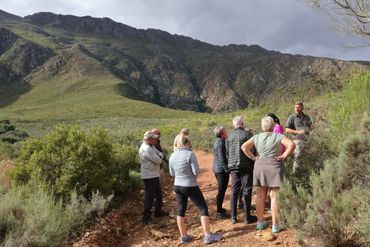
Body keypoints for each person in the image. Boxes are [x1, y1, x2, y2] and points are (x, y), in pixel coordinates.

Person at [241, 116, 295, 233]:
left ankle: (260, 222)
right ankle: (275, 225)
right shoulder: (278, 136)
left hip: (260, 166)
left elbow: (244, 147)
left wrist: (254, 157)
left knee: (260, 196)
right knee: (274, 196)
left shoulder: (256, 137)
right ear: (273, 126)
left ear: (262, 126)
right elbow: (292, 145)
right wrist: (284, 156)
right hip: (275, 165)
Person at [169, 135, 222, 245]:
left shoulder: (172, 155)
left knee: (181, 209)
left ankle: (184, 237)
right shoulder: (190, 154)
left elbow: (172, 173)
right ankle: (208, 236)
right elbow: (196, 171)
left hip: (177, 185)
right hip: (190, 185)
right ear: (187, 142)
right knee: (203, 208)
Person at [227, 116, 257, 224]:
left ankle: (233, 217)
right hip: (246, 166)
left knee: (234, 191)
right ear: (242, 123)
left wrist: (230, 164)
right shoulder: (248, 134)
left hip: (233, 167)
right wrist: (254, 159)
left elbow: (227, 152)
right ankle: (247, 217)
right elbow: (253, 149)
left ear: (234, 125)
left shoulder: (229, 137)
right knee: (247, 190)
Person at [139, 131, 167, 224]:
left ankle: (158, 211)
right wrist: (160, 156)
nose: (155, 140)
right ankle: (146, 218)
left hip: (153, 174)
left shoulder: (151, 146)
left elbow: (160, 154)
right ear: (149, 139)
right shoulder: (147, 148)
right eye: (153, 138)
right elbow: (159, 160)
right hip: (149, 176)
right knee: (150, 197)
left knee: (158, 194)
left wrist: (160, 156)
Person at [285, 102, 313, 173]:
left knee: (308, 157)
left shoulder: (307, 117)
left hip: (307, 140)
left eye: (298, 107)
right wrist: (298, 132)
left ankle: (307, 173)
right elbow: (287, 129)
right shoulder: (292, 117)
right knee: (298, 157)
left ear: (302, 108)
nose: (297, 109)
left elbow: (310, 126)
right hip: (297, 140)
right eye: (295, 107)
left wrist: (311, 127)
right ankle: (295, 174)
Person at [212, 126, 229, 219]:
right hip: (221, 170)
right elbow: (222, 159)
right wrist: (227, 170)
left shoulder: (218, 141)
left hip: (217, 168)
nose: (227, 132)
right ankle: (219, 212)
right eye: (225, 131)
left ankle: (220, 209)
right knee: (221, 191)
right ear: (222, 134)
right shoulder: (221, 143)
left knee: (221, 190)